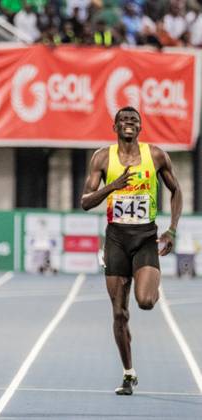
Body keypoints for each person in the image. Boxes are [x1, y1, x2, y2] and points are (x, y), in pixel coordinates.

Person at [81, 106, 182, 395]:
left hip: (145, 237)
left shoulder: (157, 155)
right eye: (124, 120)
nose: (129, 123)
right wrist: (112, 186)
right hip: (116, 240)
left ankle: (150, 282)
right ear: (115, 127)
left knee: (146, 301)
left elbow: (177, 191)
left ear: (140, 127)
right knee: (119, 314)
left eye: (134, 120)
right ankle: (128, 373)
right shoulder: (102, 158)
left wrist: (172, 228)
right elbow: (85, 202)